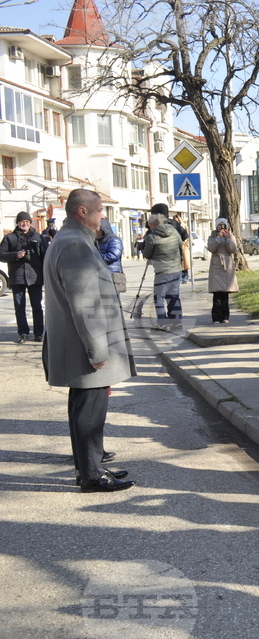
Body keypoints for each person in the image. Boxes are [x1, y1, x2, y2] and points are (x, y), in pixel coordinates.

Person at [43, 188, 135, 492]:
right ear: (82, 211)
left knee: (85, 408)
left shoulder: (73, 239)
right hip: (85, 347)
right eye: (99, 209)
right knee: (90, 411)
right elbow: (85, 304)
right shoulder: (75, 245)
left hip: (77, 344)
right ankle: (92, 475)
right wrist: (97, 349)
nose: (104, 215)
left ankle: (89, 467)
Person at [0, 211, 46, 343]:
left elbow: (45, 256)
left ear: (30, 223)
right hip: (17, 276)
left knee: (37, 306)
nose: (24, 224)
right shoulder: (10, 238)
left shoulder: (37, 237)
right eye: (22, 222)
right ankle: (23, 333)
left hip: (35, 276)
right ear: (18, 223)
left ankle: (38, 333)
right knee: (19, 307)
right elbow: (1, 254)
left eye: (27, 222)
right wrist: (16, 255)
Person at [142, 213, 184, 330]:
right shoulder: (174, 231)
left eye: (150, 226)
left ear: (153, 225)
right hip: (176, 269)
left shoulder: (152, 237)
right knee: (173, 297)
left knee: (159, 298)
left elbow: (147, 254)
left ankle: (162, 323)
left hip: (162, 272)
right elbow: (181, 245)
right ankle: (177, 322)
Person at [207, 218, 239, 324]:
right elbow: (211, 249)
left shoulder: (230, 236)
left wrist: (227, 239)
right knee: (217, 294)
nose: (222, 227)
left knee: (225, 294)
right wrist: (218, 238)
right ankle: (216, 318)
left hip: (227, 265)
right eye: (219, 225)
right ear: (216, 227)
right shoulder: (212, 237)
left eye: (223, 225)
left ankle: (225, 317)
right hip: (216, 265)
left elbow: (233, 249)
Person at [97, 218, 126, 294]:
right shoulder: (97, 240)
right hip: (101, 273)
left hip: (112, 273)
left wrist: (96, 257)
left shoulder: (114, 239)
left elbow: (113, 256)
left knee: (112, 298)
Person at [173, 214, 191, 281]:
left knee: (185, 263)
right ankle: (179, 278)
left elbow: (188, 235)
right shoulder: (173, 227)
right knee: (178, 263)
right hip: (176, 246)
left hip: (184, 245)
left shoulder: (183, 226)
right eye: (175, 220)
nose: (176, 221)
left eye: (177, 219)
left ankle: (185, 277)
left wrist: (187, 244)